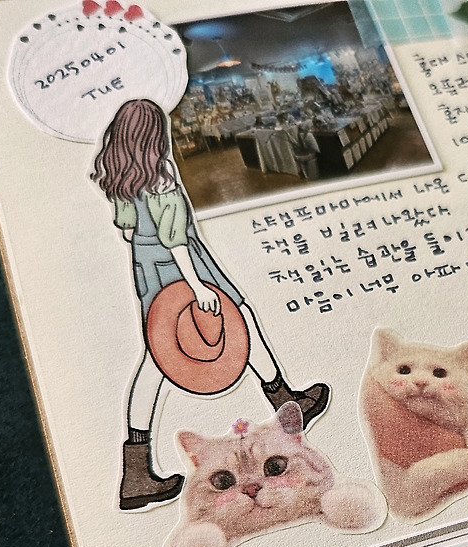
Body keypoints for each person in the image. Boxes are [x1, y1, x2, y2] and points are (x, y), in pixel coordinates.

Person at [92, 99, 330, 510]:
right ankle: (285, 399)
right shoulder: (162, 181)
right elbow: (176, 240)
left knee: (160, 354)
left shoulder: (123, 182)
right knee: (238, 322)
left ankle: (136, 470)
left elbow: (128, 230)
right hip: (187, 269)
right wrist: (197, 286)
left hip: (147, 273)